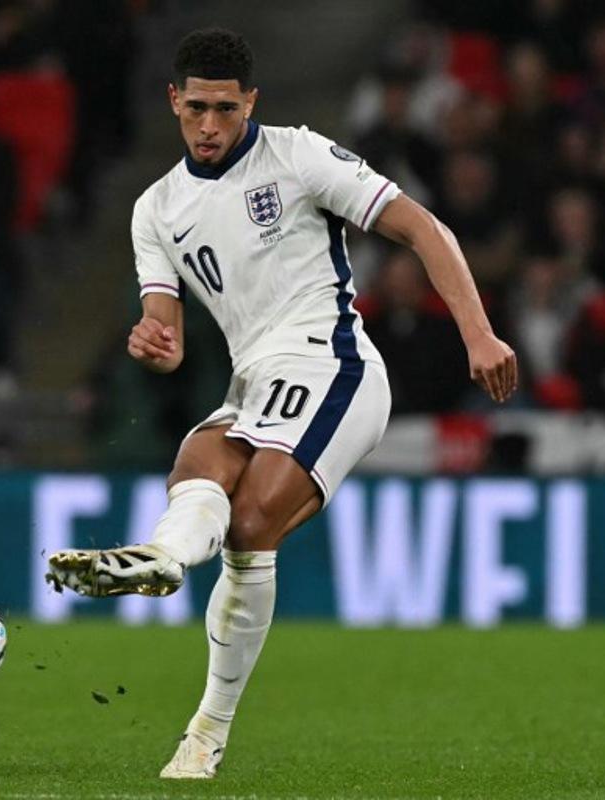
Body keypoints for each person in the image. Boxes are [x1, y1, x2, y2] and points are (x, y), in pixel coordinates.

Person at [45, 29, 517, 779]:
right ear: (173, 100)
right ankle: (164, 557)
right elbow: (162, 324)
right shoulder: (155, 209)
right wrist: (156, 341)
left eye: (224, 110)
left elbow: (422, 228)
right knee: (199, 460)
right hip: (253, 379)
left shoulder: (298, 156)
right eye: (196, 108)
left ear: (250, 103)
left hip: (336, 365)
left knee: (254, 517)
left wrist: (480, 334)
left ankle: (206, 732)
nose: (208, 126)